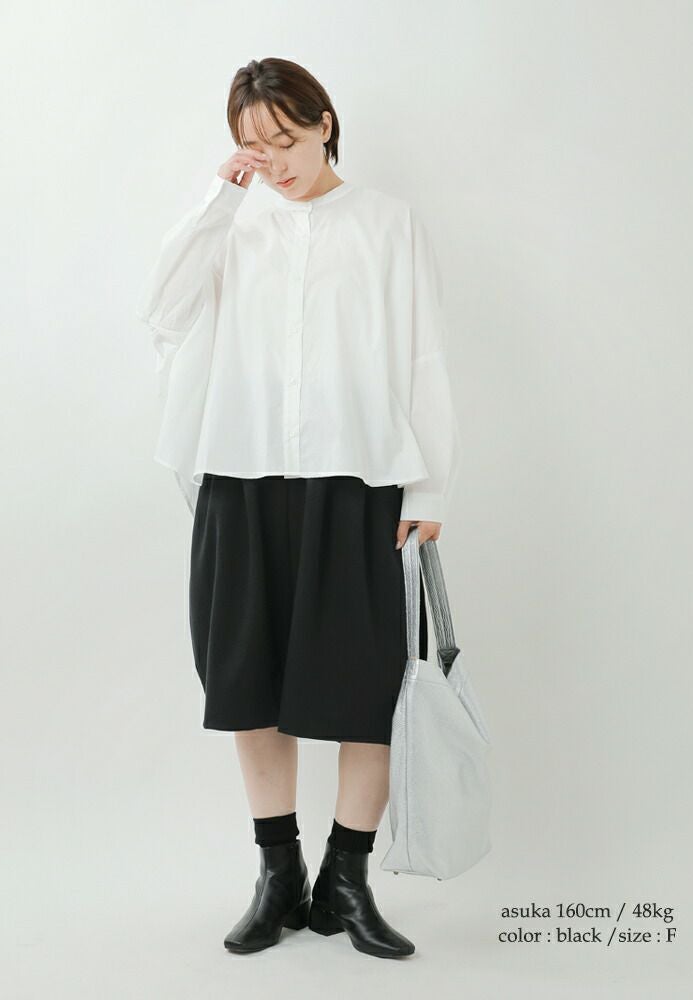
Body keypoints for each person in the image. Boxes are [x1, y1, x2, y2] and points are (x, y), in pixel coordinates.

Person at [135, 57, 461, 959]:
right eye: (252, 144)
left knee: (366, 688)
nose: (271, 160)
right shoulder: (233, 225)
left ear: (324, 124)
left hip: (359, 480)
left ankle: (346, 884)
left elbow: (424, 354)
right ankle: (278, 877)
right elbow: (162, 311)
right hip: (240, 476)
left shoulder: (388, 222)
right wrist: (220, 196)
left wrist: (430, 485)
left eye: (283, 139)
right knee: (247, 681)